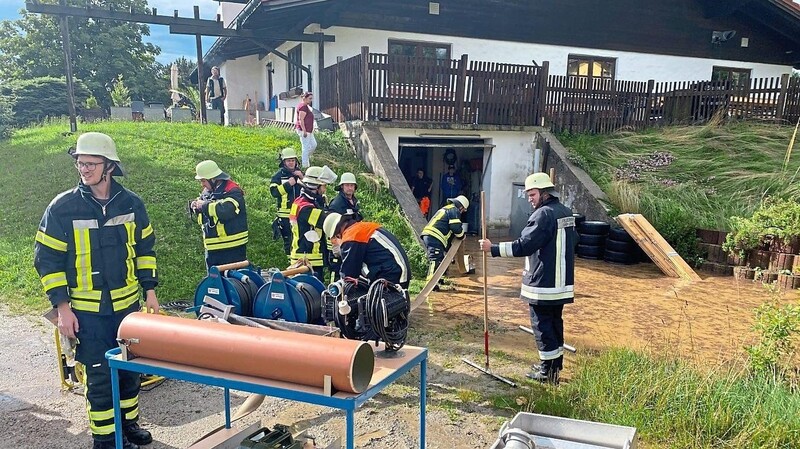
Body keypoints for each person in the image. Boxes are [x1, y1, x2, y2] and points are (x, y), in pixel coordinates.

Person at [34, 132, 159, 449]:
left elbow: (145, 250)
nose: (83, 168)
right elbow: (47, 261)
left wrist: (150, 291)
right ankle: (105, 439)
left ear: (110, 167)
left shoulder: (132, 204)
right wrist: (63, 308)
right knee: (101, 376)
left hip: (128, 308)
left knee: (130, 371)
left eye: (90, 163)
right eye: (80, 162)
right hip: (88, 313)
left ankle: (128, 426)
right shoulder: (63, 208)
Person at [478, 173, 577, 384]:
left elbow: (524, 245)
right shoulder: (565, 212)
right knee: (555, 324)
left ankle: (546, 373)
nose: (529, 199)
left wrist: (492, 248)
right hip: (561, 284)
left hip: (543, 284)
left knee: (542, 327)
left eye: (532, 194)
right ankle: (554, 366)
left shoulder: (543, 215)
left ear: (544, 193)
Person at [323, 213, 411, 289]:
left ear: (337, 234)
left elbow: (348, 273)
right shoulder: (361, 227)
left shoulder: (351, 236)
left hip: (391, 273)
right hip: (398, 269)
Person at [190, 160, 248, 269]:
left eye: (203, 180)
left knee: (233, 283)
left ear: (213, 179)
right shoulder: (207, 191)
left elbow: (226, 210)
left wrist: (203, 206)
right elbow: (207, 207)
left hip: (232, 248)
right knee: (214, 283)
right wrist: (195, 206)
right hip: (212, 248)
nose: (202, 184)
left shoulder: (232, 190)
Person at [290, 165, 337, 283]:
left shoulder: (304, 201)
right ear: (316, 186)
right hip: (308, 259)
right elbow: (326, 222)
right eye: (323, 186)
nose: (325, 189)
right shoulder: (306, 208)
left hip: (309, 256)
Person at [421, 195, 469, 285]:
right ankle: (430, 283)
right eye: (463, 210)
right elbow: (455, 227)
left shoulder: (447, 208)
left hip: (431, 236)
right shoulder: (454, 210)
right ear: (461, 207)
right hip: (434, 236)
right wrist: (462, 235)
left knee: (440, 259)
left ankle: (439, 280)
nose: (462, 212)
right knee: (435, 259)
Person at [327, 172, 363, 281]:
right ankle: (334, 294)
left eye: (351, 185)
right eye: (347, 185)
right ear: (342, 186)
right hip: (339, 243)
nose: (349, 188)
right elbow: (332, 226)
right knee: (338, 272)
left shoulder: (354, 202)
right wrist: (337, 244)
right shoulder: (337, 204)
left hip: (351, 241)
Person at [270, 148, 303, 255]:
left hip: (300, 212)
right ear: (284, 162)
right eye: (288, 161)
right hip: (285, 214)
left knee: (299, 237)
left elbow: (310, 189)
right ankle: (290, 261)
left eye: (293, 160)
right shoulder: (278, 176)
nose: (291, 163)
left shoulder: (300, 175)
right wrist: (288, 184)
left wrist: (302, 178)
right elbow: (274, 192)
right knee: (288, 240)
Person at [295, 92, 317, 167]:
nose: (311, 100)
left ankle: (305, 158)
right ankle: (305, 165)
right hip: (304, 130)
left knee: (314, 145)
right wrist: (304, 131)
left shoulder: (306, 106)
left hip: (309, 130)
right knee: (305, 147)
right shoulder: (303, 107)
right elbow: (301, 119)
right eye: (309, 98)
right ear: (304, 98)